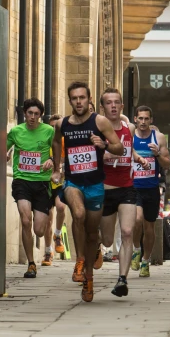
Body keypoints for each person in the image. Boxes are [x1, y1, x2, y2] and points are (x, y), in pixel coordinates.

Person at [52, 82, 123, 302]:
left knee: (93, 234)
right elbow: (55, 143)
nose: (79, 102)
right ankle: (80, 260)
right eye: (74, 98)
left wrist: (103, 145)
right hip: (74, 183)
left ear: (89, 99)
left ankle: (88, 279)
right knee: (78, 214)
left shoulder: (99, 122)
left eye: (82, 97)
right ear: (69, 100)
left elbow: (119, 148)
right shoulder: (62, 124)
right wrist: (56, 169)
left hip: (95, 185)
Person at [100, 89, 150, 297]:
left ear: (122, 106)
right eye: (109, 103)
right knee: (107, 241)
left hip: (127, 188)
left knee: (128, 232)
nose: (113, 106)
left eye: (117, 102)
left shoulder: (128, 127)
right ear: (103, 107)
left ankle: (122, 279)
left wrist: (138, 158)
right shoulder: (98, 130)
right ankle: (97, 248)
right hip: (105, 190)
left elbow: (129, 149)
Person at [7, 98, 55, 279]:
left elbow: (58, 151)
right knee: (25, 220)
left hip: (42, 183)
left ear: (41, 116)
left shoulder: (49, 131)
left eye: (36, 114)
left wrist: (52, 160)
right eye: (30, 113)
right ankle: (31, 264)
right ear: (24, 114)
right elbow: (2, 148)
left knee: (39, 230)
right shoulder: (16, 131)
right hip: (22, 180)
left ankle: (38, 252)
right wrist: (3, 155)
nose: (33, 117)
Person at [131, 105, 170, 277]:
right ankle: (136, 250)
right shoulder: (131, 137)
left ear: (151, 120)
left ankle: (145, 261)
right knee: (137, 220)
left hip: (152, 188)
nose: (143, 122)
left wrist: (156, 155)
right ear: (135, 119)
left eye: (146, 119)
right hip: (134, 187)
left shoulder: (159, 137)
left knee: (149, 227)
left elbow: (167, 164)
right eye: (140, 118)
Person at [42, 113, 66, 266]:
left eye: (56, 127)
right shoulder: (44, 141)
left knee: (61, 206)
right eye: (51, 127)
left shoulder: (64, 142)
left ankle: (58, 234)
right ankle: (48, 251)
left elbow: (66, 159)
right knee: (47, 218)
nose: (53, 130)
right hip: (45, 182)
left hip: (59, 181)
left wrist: (61, 167)